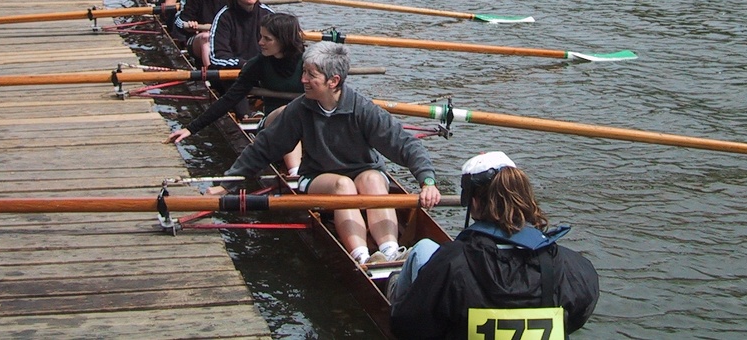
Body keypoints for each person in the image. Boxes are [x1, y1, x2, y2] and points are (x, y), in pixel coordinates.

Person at [215, 41, 441, 265]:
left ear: (333, 81)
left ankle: (390, 251)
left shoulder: (362, 108)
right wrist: (228, 184)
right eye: (303, 72)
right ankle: (362, 258)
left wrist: (427, 181)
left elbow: (405, 145)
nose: (302, 79)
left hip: (364, 172)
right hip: (317, 177)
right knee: (342, 185)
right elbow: (263, 147)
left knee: (373, 178)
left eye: (310, 75)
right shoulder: (299, 109)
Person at [389, 151, 600, 339]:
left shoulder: (451, 263)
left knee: (424, 248)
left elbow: (406, 327)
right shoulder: (573, 266)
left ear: (474, 202)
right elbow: (576, 317)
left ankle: (394, 286)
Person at [168, 11, 305, 169]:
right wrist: (190, 129)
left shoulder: (308, 62)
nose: (260, 42)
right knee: (286, 112)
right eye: (261, 36)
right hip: (273, 121)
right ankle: (295, 173)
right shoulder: (258, 64)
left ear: (284, 40)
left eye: (267, 39)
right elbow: (229, 99)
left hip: (306, 118)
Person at [208, 0, 274, 71]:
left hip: (262, 72)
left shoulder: (268, 15)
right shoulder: (224, 17)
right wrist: (244, 64)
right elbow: (217, 57)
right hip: (234, 75)